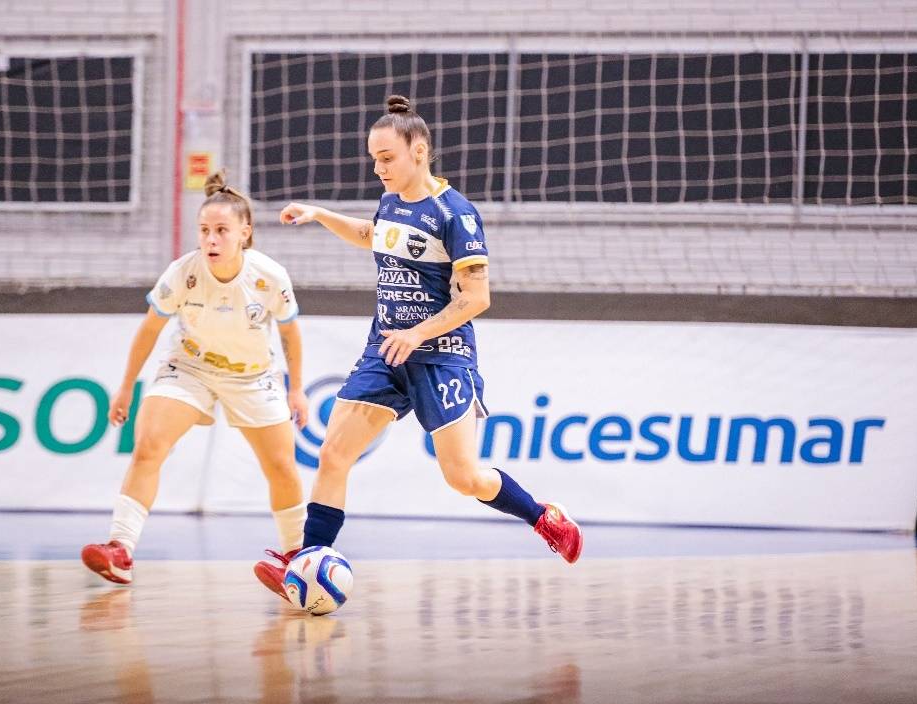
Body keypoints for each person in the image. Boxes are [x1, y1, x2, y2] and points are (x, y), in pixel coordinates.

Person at [254, 95, 582, 599]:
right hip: (386, 351)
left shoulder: (457, 214)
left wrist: (418, 333)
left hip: (442, 355)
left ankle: (542, 516)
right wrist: (321, 214)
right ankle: (307, 558)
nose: (378, 168)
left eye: (387, 158)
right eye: (373, 159)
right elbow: (373, 235)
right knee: (334, 453)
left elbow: (478, 297)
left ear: (419, 152)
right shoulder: (390, 203)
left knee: (465, 477)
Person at [82, 170, 309, 585]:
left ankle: (297, 560)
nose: (211, 240)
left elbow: (291, 332)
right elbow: (149, 330)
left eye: (222, 230)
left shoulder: (269, 277)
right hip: (189, 368)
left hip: (252, 376)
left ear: (245, 233)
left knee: (281, 465)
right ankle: (120, 548)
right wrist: (125, 387)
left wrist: (297, 390)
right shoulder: (182, 273)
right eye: (204, 230)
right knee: (148, 445)